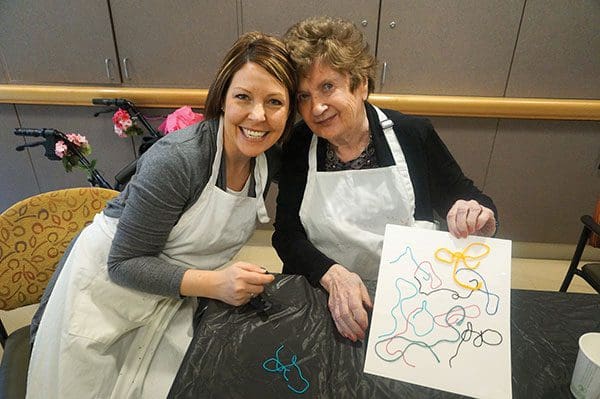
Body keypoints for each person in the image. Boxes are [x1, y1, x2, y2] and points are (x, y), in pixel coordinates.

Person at [27, 32, 297, 399]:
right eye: (243, 97)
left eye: (275, 102)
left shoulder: (267, 159)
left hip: (171, 294)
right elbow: (123, 263)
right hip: (108, 291)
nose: (258, 116)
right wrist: (215, 283)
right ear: (221, 98)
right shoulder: (179, 160)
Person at [272, 17, 498, 344]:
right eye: (304, 96)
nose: (317, 107)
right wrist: (332, 275)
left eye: (327, 87)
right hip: (321, 287)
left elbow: (469, 197)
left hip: (405, 296)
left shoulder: (411, 134)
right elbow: (287, 235)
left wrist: (478, 216)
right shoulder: (297, 143)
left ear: (361, 84)